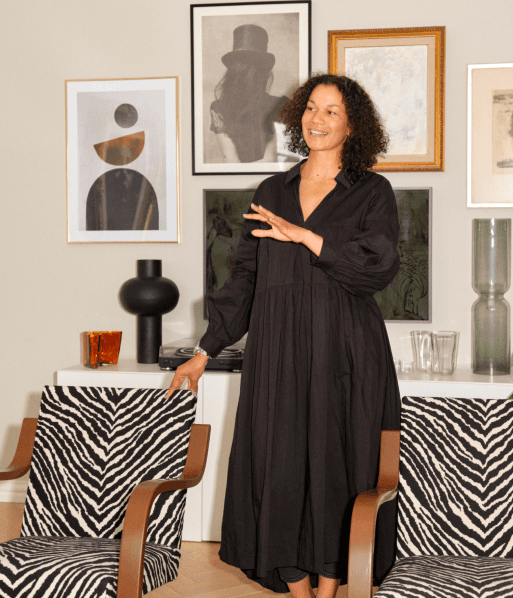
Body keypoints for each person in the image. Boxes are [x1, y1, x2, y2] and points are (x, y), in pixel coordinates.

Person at [169, 73, 398, 597]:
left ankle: (331, 587)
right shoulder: (274, 190)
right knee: (280, 465)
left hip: (346, 352)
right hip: (277, 352)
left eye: (332, 111)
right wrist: (205, 351)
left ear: (352, 124)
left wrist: (307, 237)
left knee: (341, 468)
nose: (318, 119)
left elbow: (377, 267)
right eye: (312, 108)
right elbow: (245, 279)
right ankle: (299, 591)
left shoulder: (371, 191)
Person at [210, 24, 290, 163]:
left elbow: (268, 159)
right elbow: (232, 160)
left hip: (260, 180)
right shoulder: (218, 108)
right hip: (250, 181)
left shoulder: (281, 106)